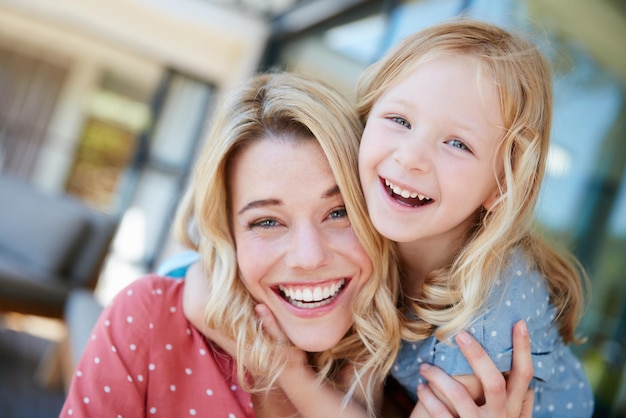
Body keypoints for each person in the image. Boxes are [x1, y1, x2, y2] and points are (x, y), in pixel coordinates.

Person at [61, 71, 534, 418]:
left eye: (339, 212)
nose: (308, 257)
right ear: (228, 235)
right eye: (266, 222)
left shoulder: (431, 385)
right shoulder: (150, 322)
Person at [356, 18, 593, 417]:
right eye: (400, 120)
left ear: (500, 186)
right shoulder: (356, 231)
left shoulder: (487, 312)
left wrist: (288, 368)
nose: (411, 157)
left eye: (457, 143)